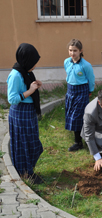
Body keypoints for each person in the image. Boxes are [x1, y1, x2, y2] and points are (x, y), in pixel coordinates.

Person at [7, 43, 43, 184]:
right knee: (23, 145)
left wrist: (34, 85)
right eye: (33, 63)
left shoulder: (26, 72)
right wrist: (30, 91)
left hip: (28, 111)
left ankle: (28, 170)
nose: (34, 66)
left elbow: (28, 88)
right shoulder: (15, 75)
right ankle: (26, 174)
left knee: (33, 145)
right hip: (20, 112)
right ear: (26, 60)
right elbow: (12, 99)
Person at [64, 39, 95, 152]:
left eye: (75, 51)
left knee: (77, 116)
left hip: (82, 91)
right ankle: (79, 139)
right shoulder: (66, 62)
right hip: (70, 91)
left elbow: (91, 79)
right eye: (70, 50)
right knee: (71, 114)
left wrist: (90, 90)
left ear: (81, 51)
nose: (72, 53)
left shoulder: (86, 65)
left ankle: (79, 142)